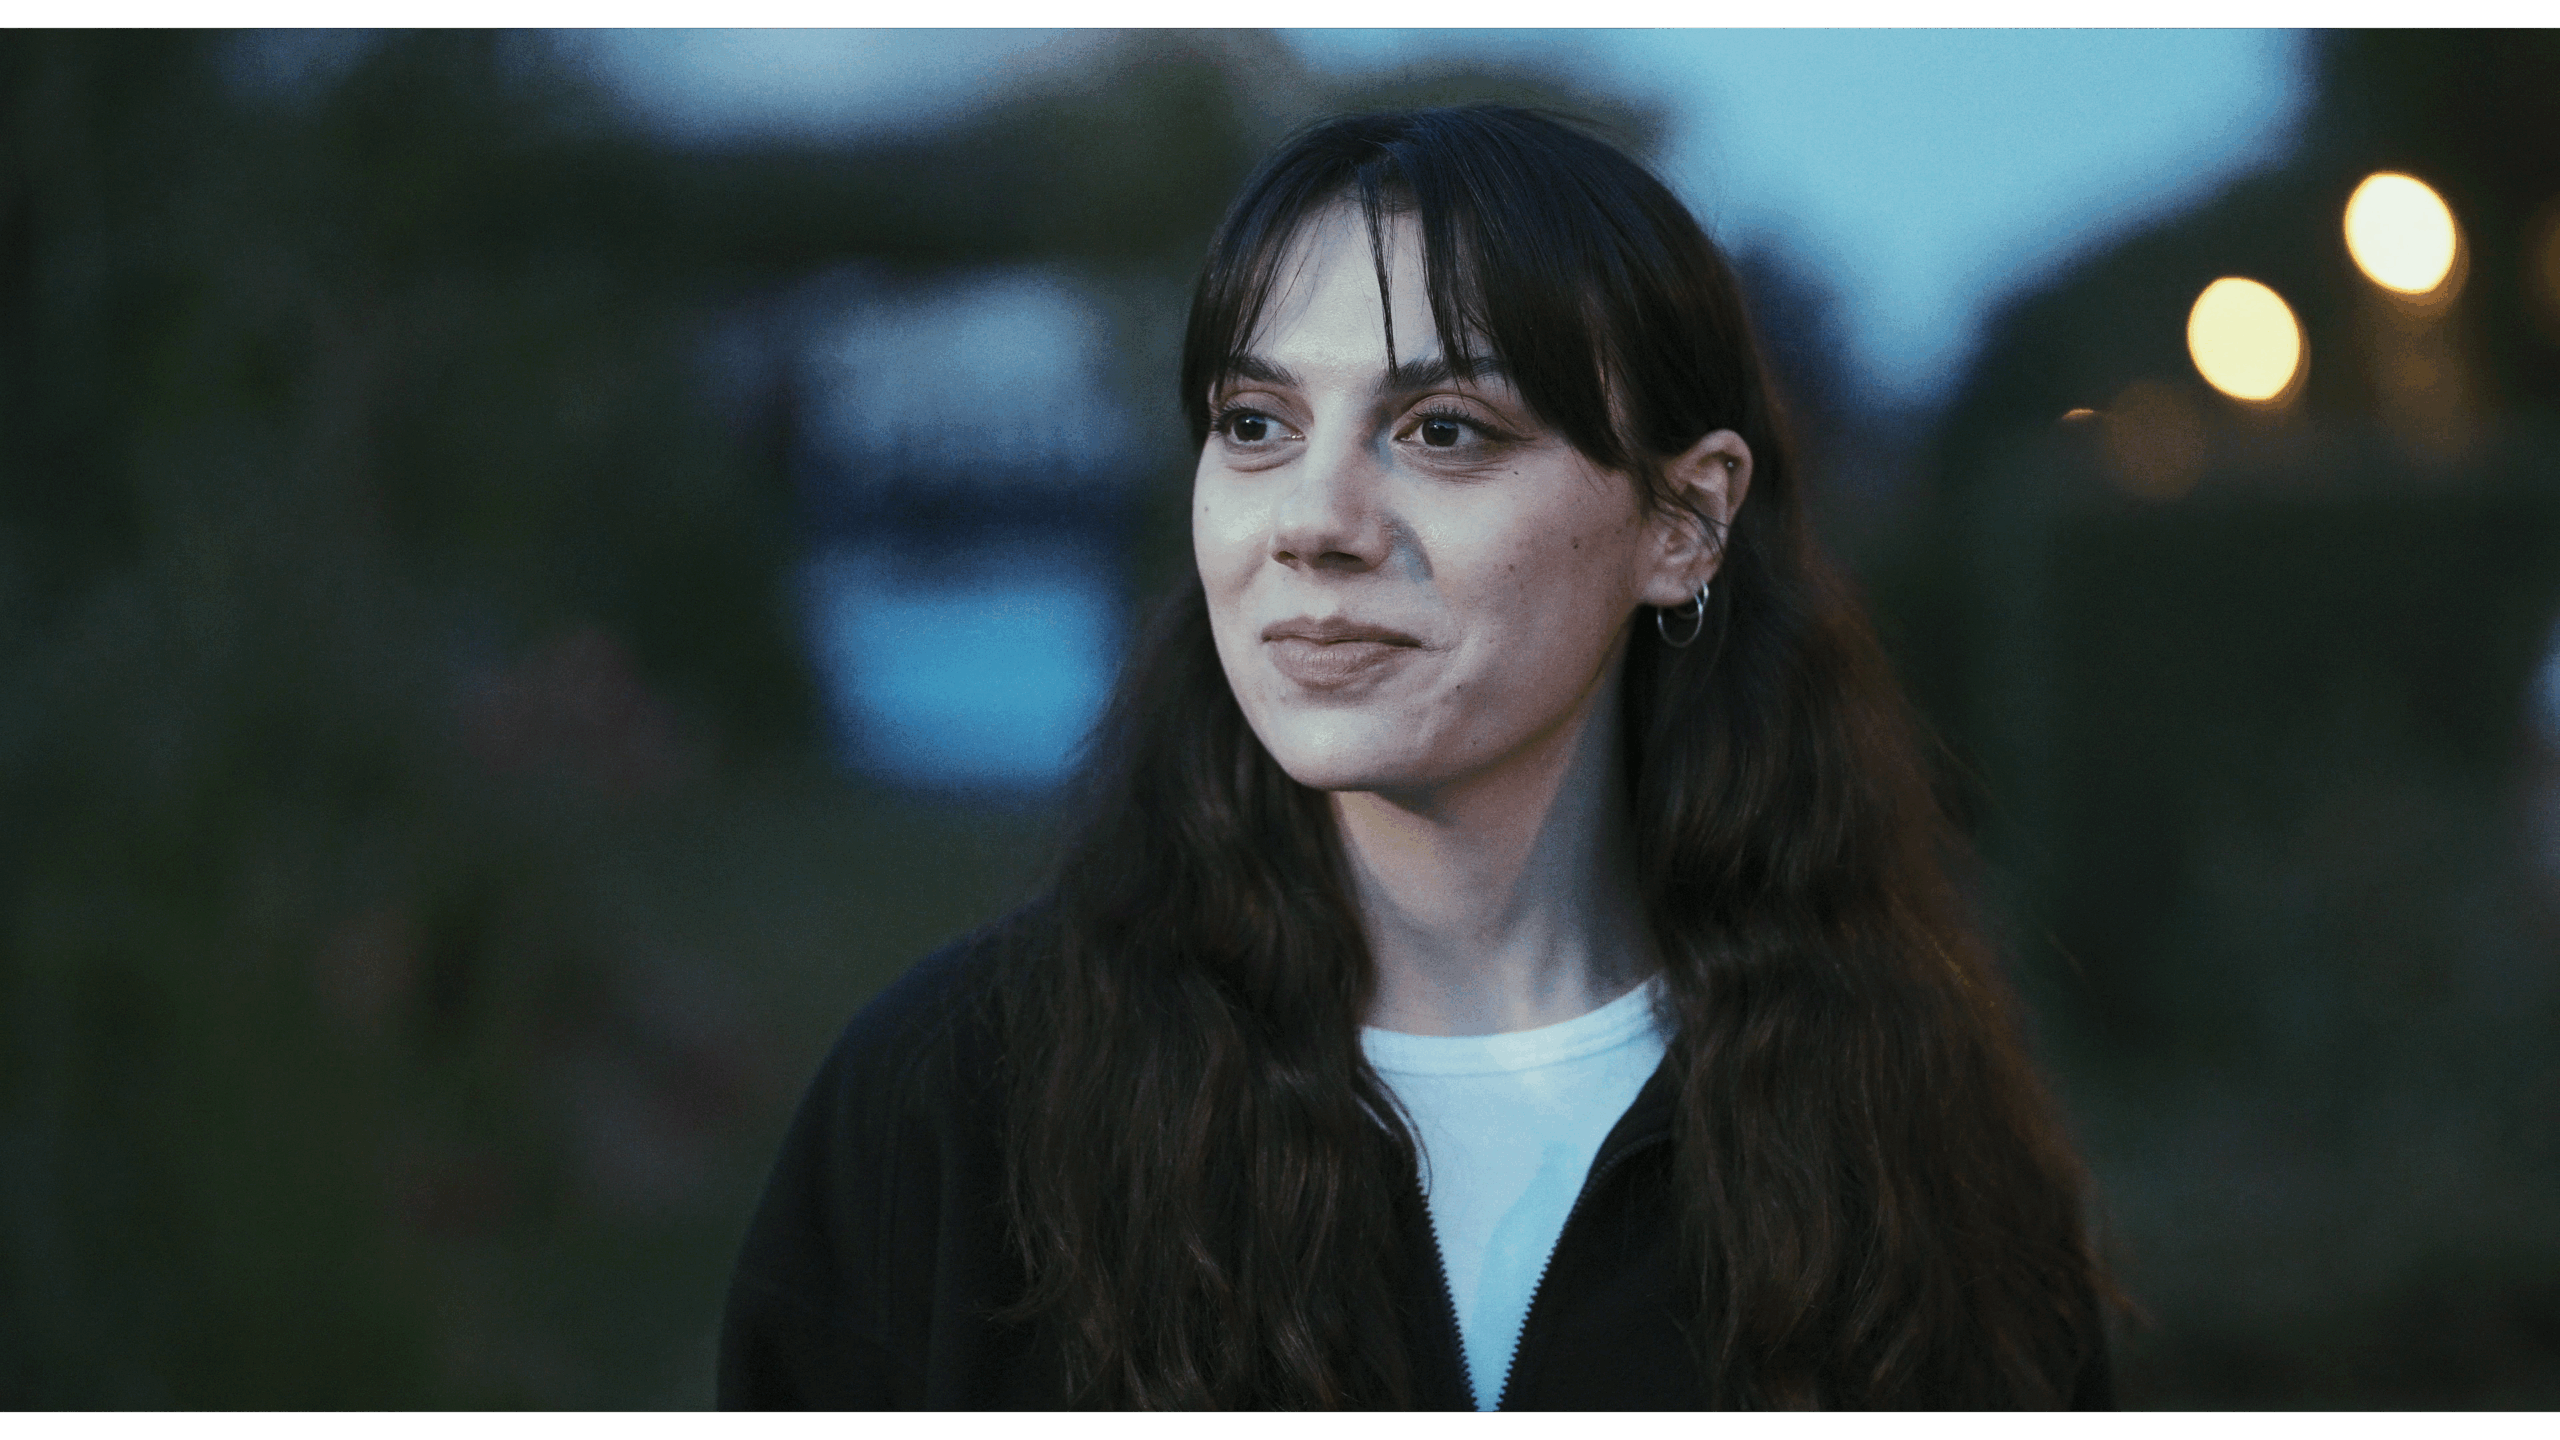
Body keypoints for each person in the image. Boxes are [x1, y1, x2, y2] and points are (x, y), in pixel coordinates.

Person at [718, 105, 2115, 1411]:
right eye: (1256, 426)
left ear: (1684, 521)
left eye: (1444, 431)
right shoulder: (956, 1106)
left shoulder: (1909, 1149)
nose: (1313, 521)